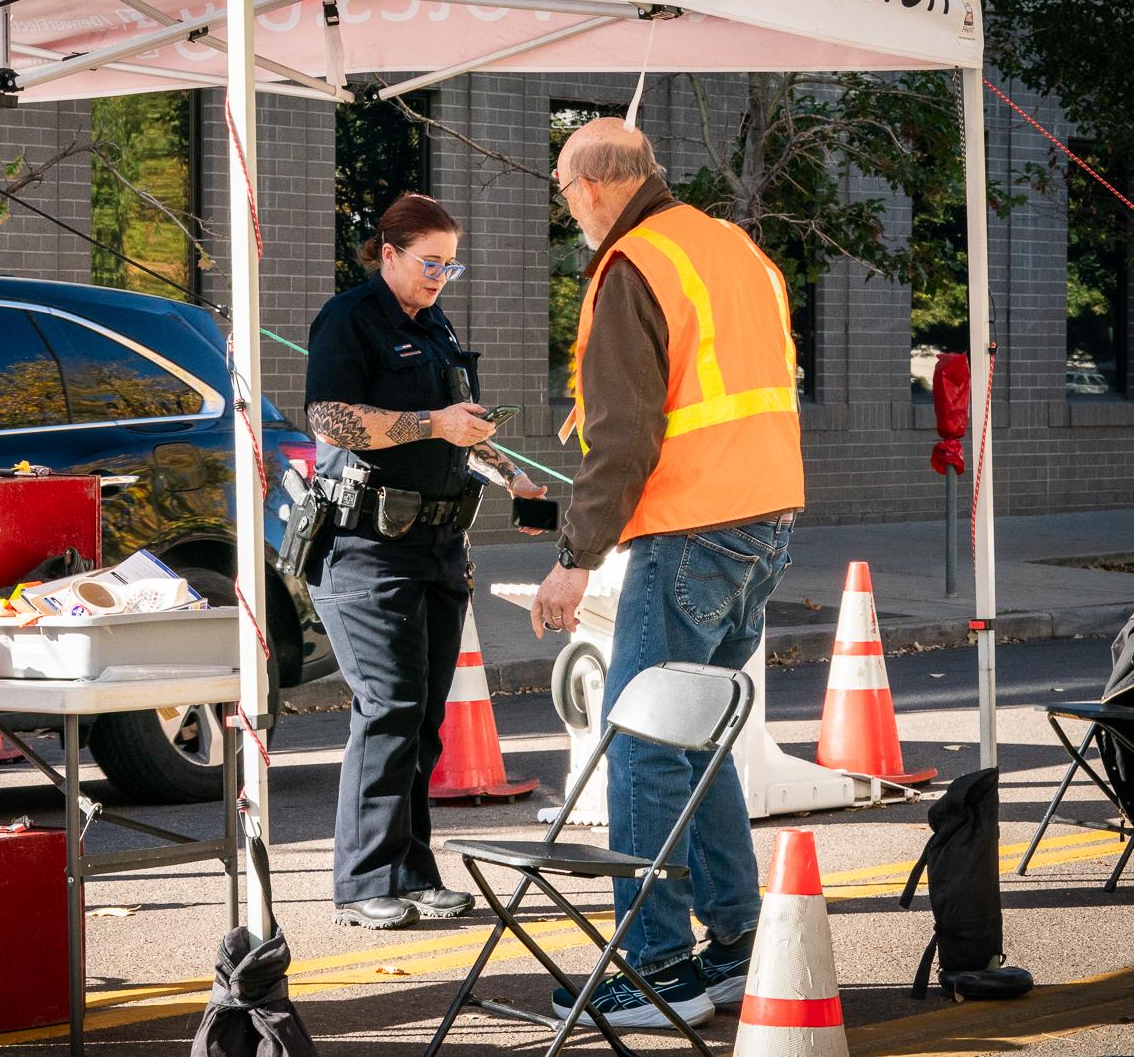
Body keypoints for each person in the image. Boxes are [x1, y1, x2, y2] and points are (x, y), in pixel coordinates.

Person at [532, 118, 804, 1028]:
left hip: (688, 527)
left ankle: (655, 973)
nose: (570, 212)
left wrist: (574, 559)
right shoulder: (735, 248)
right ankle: (733, 945)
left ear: (597, 186)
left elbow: (625, 436)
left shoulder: (632, 263)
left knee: (645, 744)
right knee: (696, 737)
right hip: (761, 522)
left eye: (566, 194)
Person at [305, 193, 547, 930]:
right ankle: (361, 879)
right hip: (366, 548)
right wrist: (428, 423)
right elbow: (329, 418)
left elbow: (458, 424)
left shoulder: (435, 325)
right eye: (429, 261)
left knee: (423, 718)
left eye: (451, 263)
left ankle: (410, 869)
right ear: (389, 253)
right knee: (388, 707)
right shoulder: (351, 318)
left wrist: (511, 476)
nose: (442, 275)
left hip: (438, 546)